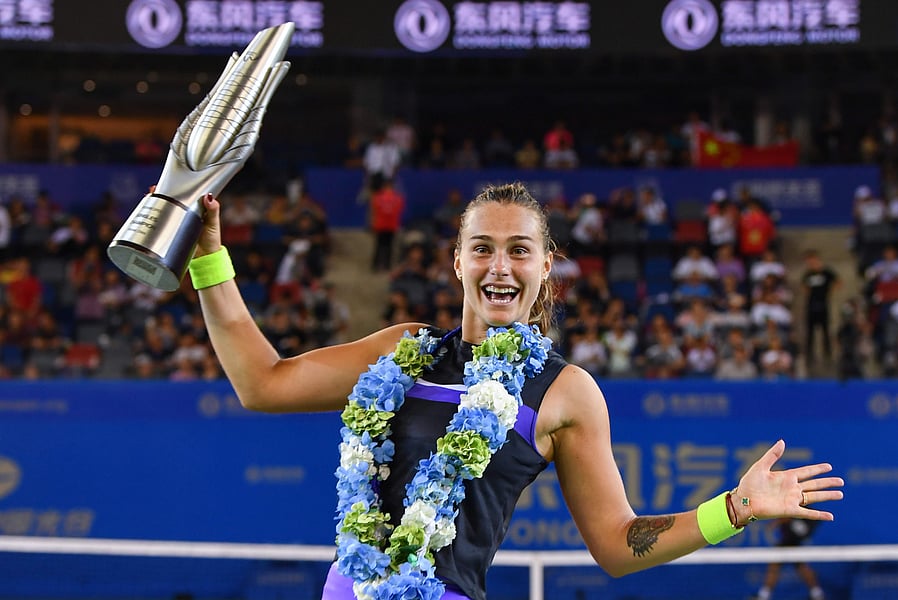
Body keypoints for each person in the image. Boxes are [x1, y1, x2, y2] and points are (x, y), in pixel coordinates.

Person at [188, 182, 842, 600]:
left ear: (545, 265)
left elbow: (618, 544)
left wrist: (733, 508)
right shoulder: (401, 351)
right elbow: (262, 383)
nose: (499, 266)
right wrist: (206, 257)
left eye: (519, 250)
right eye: (482, 248)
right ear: (458, 261)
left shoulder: (565, 393)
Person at [754, 518, 825, 600]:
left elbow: (788, 520)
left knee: (803, 568)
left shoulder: (803, 515)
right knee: (774, 567)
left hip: (794, 544)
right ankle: (764, 595)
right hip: (785, 544)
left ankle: (817, 594)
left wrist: (777, 522)